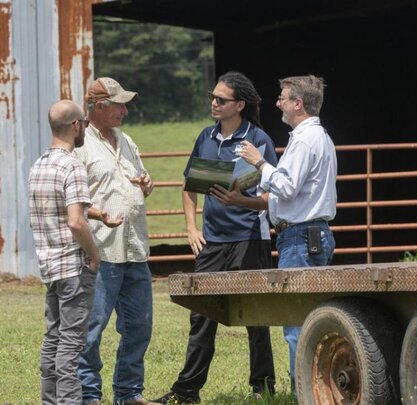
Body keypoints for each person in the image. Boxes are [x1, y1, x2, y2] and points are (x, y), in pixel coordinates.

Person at [153, 71, 278, 404]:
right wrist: (192, 229)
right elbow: (189, 189)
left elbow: (271, 198)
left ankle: (263, 388)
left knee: (256, 315)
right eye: (213, 97)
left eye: (221, 99)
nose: (213, 103)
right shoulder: (205, 137)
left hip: (251, 239)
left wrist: (241, 200)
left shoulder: (258, 139)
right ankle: (187, 392)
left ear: (239, 105)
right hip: (212, 241)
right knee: (202, 315)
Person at [238, 75, 337, 392]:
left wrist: (260, 164)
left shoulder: (306, 140)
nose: (277, 102)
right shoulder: (316, 137)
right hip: (309, 235)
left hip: (300, 237)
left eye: (282, 97)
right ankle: (314, 388)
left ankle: (303, 392)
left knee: (297, 323)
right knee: (309, 317)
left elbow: (288, 186)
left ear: (298, 103)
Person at [74, 77, 157, 405]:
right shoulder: (80, 146)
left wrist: (146, 182)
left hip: (135, 246)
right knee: (91, 329)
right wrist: (101, 215)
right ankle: (87, 396)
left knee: (140, 326)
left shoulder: (126, 141)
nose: (125, 110)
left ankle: (128, 393)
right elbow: (74, 200)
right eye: (119, 104)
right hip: (101, 250)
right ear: (98, 107)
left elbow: (139, 179)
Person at [29, 100, 101, 405]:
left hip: (49, 266)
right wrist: (94, 254)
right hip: (73, 267)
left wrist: (98, 215)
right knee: (71, 347)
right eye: (83, 122)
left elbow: (58, 212)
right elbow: (74, 221)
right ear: (76, 126)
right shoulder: (72, 165)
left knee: (53, 340)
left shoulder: (39, 165)